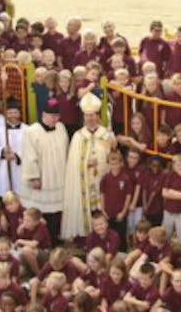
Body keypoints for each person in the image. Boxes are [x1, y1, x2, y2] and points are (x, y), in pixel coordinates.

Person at [62, 93, 116, 241]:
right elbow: (73, 164)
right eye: (87, 115)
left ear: (98, 116)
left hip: (102, 181)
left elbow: (114, 159)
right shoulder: (78, 136)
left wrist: (113, 146)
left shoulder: (106, 134)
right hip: (84, 183)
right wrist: (86, 163)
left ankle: (104, 236)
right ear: (83, 117)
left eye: (93, 115)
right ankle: (87, 238)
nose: (90, 118)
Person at [19, 99, 69, 245]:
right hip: (42, 178)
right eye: (51, 117)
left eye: (57, 117)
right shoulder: (31, 132)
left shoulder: (61, 128)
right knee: (42, 212)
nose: (55, 120)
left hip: (57, 176)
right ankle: (41, 241)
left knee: (55, 212)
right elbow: (29, 156)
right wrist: (34, 177)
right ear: (43, 115)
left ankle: (54, 239)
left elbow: (65, 151)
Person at [0, 98, 25, 197]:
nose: (13, 115)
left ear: (19, 114)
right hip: (5, 166)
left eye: (15, 112)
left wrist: (16, 155)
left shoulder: (27, 130)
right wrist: (2, 150)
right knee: (6, 193)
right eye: (10, 113)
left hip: (20, 167)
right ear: (6, 114)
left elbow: (31, 148)